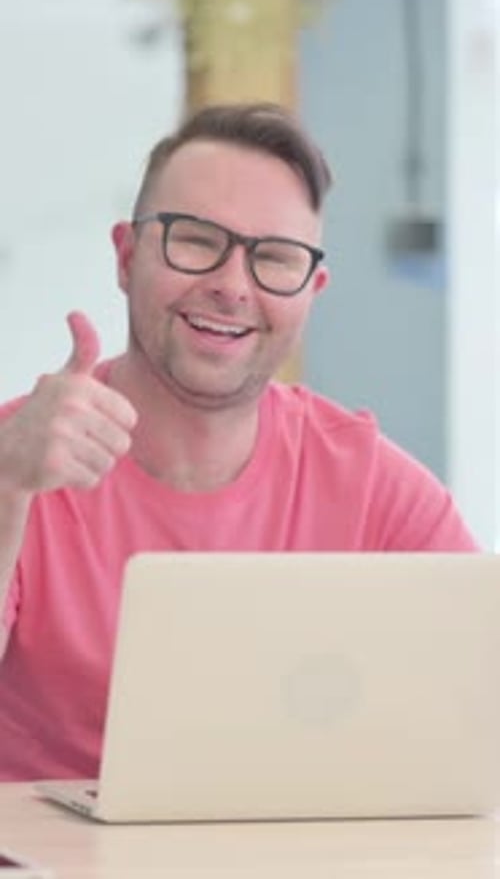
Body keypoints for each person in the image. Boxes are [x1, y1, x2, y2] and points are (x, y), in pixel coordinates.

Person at [0, 102, 477, 781]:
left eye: (275, 259)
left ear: (312, 291)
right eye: (196, 239)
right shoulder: (19, 453)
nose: (230, 286)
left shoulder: (370, 484)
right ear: (127, 256)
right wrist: (6, 489)